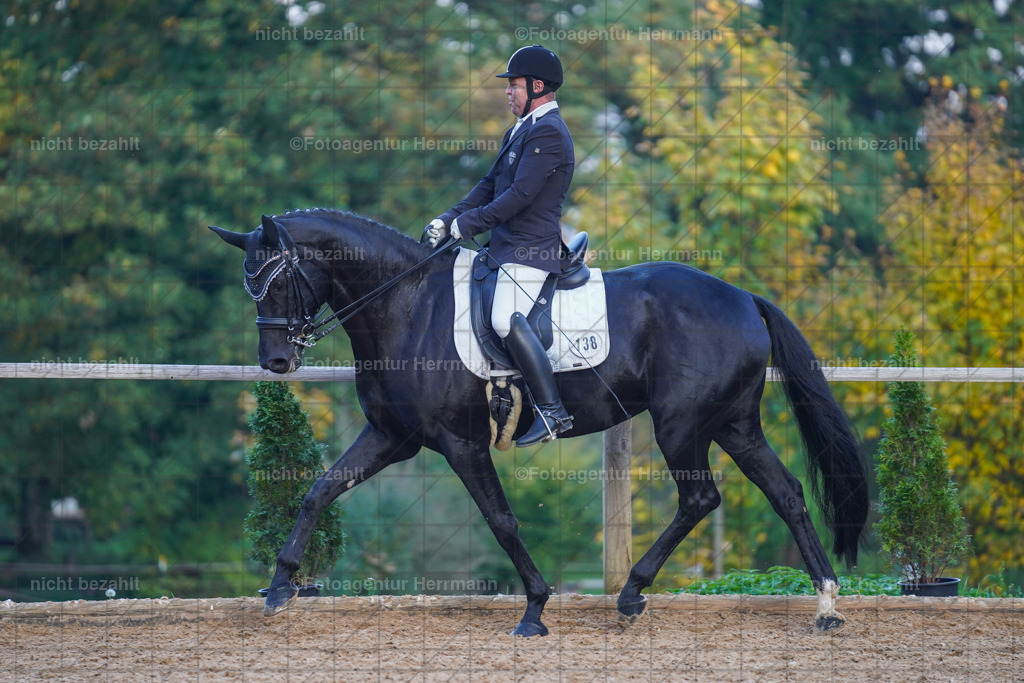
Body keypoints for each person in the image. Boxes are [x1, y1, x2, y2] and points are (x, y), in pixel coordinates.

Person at [423, 44, 575, 447]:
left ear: (537, 86)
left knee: (506, 318)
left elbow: (519, 197)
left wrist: (464, 226)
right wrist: (446, 218)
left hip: (531, 250)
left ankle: (554, 412)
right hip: (504, 249)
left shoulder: (549, 132)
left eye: (514, 86)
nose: (508, 92)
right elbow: (489, 186)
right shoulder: (521, 129)